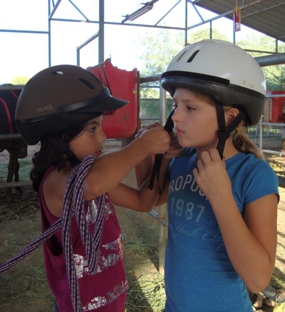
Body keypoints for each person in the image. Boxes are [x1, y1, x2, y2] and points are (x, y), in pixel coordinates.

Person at [14, 64, 171, 312]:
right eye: (91, 129)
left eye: (100, 127)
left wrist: (159, 158)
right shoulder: (55, 181)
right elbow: (90, 184)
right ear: (60, 136)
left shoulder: (95, 178)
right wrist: (142, 146)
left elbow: (144, 201)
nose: (102, 138)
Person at [136, 39, 279, 312]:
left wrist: (221, 197)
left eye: (190, 108)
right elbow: (150, 199)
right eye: (176, 105)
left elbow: (258, 278)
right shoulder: (184, 160)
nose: (176, 117)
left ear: (230, 117)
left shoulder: (254, 175)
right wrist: (154, 156)